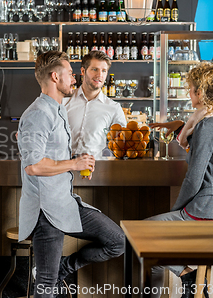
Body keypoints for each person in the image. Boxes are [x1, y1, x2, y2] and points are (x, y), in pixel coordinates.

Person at [17, 51, 125, 297]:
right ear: (55, 77)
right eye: (69, 74)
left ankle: (64, 268)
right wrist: (74, 164)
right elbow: (33, 166)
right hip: (46, 209)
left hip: (63, 202)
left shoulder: (55, 109)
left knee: (116, 241)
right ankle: (54, 276)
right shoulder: (38, 113)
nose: (73, 79)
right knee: (45, 284)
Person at [147, 61, 213, 298]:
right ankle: (189, 283)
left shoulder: (207, 125)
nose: (189, 94)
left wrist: (177, 210)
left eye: (190, 89)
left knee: (141, 233)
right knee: (153, 250)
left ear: (201, 91)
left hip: (204, 211)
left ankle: (188, 275)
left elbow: (194, 178)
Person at [64, 50, 126, 159]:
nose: (99, 75)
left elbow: (123, 144)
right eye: (94, 69)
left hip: (97, 171)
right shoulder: (64, 101)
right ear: (83, 71)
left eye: (104, 71)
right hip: (64, 170)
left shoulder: (114, 108)